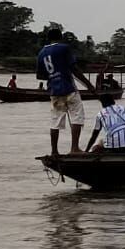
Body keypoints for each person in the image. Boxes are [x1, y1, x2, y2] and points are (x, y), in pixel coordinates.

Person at [36, 26, 94, 155]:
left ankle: (54, 151)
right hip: (69, 88)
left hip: (54, 91)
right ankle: (74, 149)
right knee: (77, 117)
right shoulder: (64, 48)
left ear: (48, 38)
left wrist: (53, 75)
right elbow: (74, 69)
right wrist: (89, 86)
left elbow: (40, 76)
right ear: (60, 37)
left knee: (55, 121)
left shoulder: (41, 53)